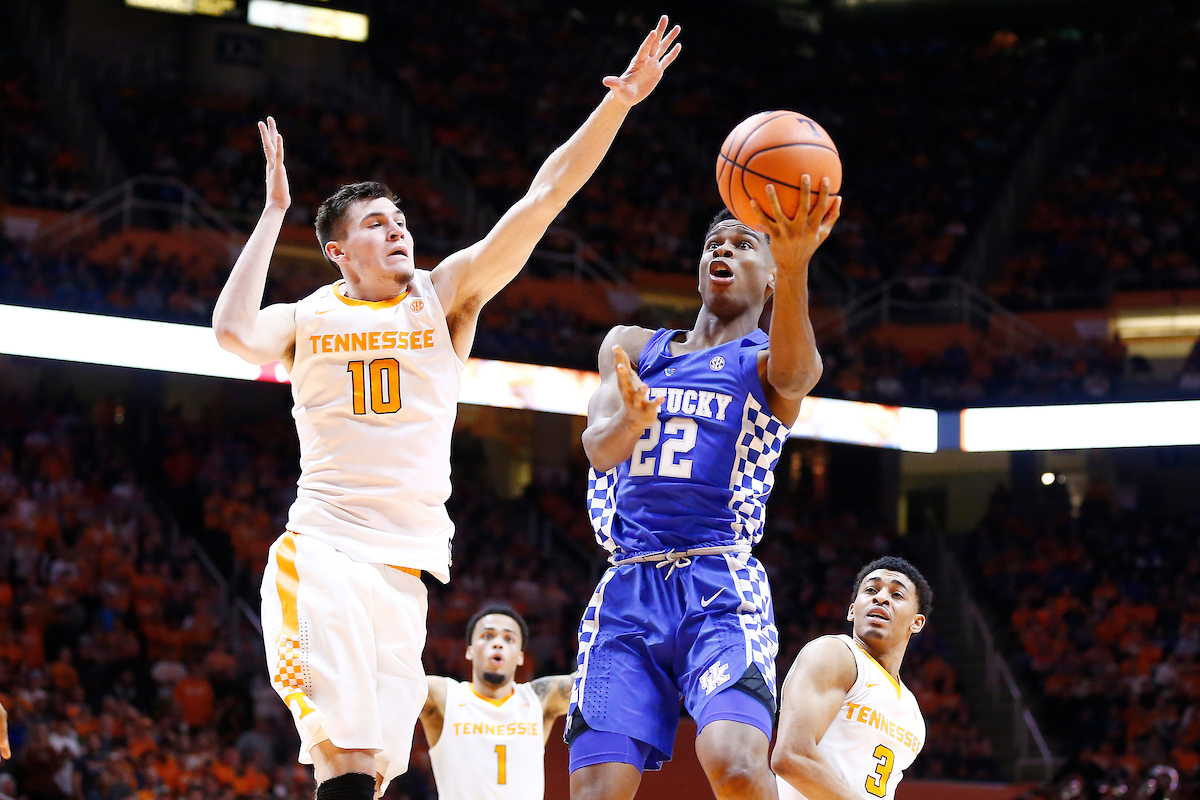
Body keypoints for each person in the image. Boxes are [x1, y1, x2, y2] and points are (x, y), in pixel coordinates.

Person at [211, 17, 682, 800]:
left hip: (409, 570)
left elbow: (545, 195)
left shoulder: (444, 295)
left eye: (400, 220)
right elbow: (231, 333)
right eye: (376, 224)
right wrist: (270, 214)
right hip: (323, 551)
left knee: (372, 770)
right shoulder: (305, 315)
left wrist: (622, 105)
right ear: (337, 249)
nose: (397, 231)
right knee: (343, 762)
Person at [570, 177, 842, 800]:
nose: (725, 248)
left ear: (770, 276)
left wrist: (796, 265)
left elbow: (801, 375)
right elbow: (596, 448)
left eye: (745, 243)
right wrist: (630, 422)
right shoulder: (633, 347)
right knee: (593, 793)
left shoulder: (764, 358)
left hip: (717, 583)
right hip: (627, 588)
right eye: (715, 241)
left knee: (738, 766)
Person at [773, 557, 931, 800]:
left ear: (917, 622)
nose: (880, 598)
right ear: (852, 610)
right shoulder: (835, 654)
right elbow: (792, 756)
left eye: (897, 594)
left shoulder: (913, 715)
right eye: (870, 590)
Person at [421, 606, 573, 800]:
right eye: (487, 636)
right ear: (469, 650)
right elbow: (394, 681)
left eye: (509, 639)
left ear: (520, 657)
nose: (498, 643)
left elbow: (596, 681)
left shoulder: (539, 699)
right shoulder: (444, 695)